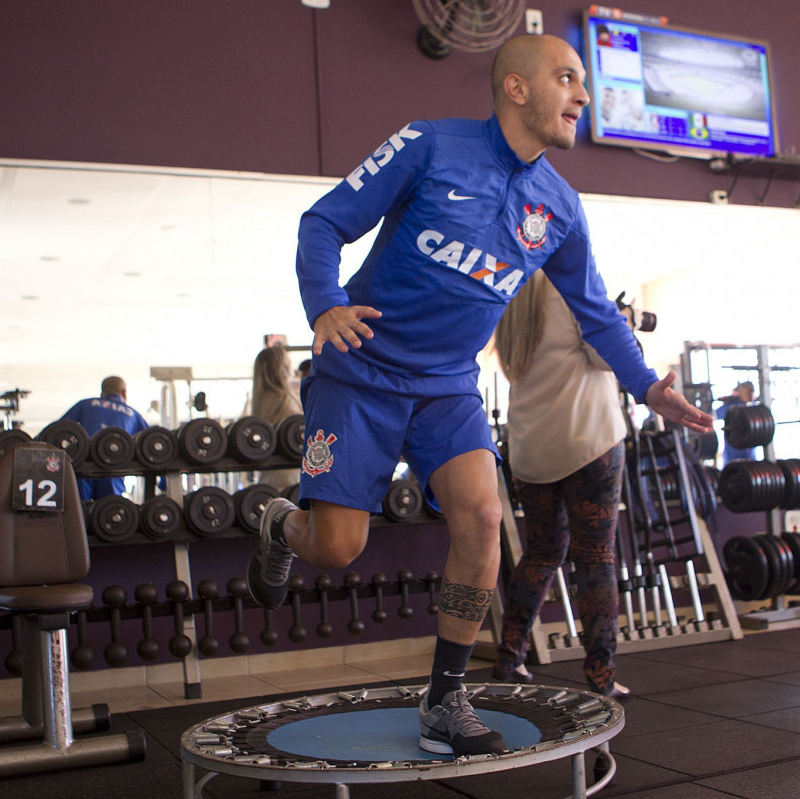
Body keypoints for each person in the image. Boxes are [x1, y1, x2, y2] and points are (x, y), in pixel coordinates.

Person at [247, 33, 713, 757]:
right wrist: (323, 305)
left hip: (447, 387)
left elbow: (594, 311)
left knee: (485, 517)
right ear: (517, 89)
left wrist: (649, 386)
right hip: (360, 370)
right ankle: (282, 523)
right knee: (337, 548)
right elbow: (324, 222)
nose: (583, 97)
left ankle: (445, 694)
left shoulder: (558, 206)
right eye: (568, 78)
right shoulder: (428, 146)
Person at [491, 270, 630, 698]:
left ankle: (510, 658)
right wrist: (620, 318)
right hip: (590, 442)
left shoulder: (507, 293)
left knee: (542, 552)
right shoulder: (574, 289)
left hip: (532, 450)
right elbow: (611, 357)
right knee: (596, 558)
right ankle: (600, 676)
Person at [60, 376, 149, 500]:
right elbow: (150, 443)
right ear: (124, 392)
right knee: (108, 513)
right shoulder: (133, 414)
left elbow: (58, 429)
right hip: (113, 471)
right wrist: (164, 485)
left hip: (84, 467)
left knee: (80, 511)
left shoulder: (85, 404)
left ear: (102, 393)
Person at [249, 344, 304, 491]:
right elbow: (301, 430)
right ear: (281, 368)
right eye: (287, 363)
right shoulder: (283, 400)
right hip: (288, 480)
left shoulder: (261, 401)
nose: (291, 367)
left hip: (270, 479)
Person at [716, 381, 757, 463]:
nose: (751, 393)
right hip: (732, 454)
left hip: (749, 455)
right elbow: (714, 414)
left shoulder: (754, 407)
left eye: (752, 391)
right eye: (748, 391)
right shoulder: (731, 406)